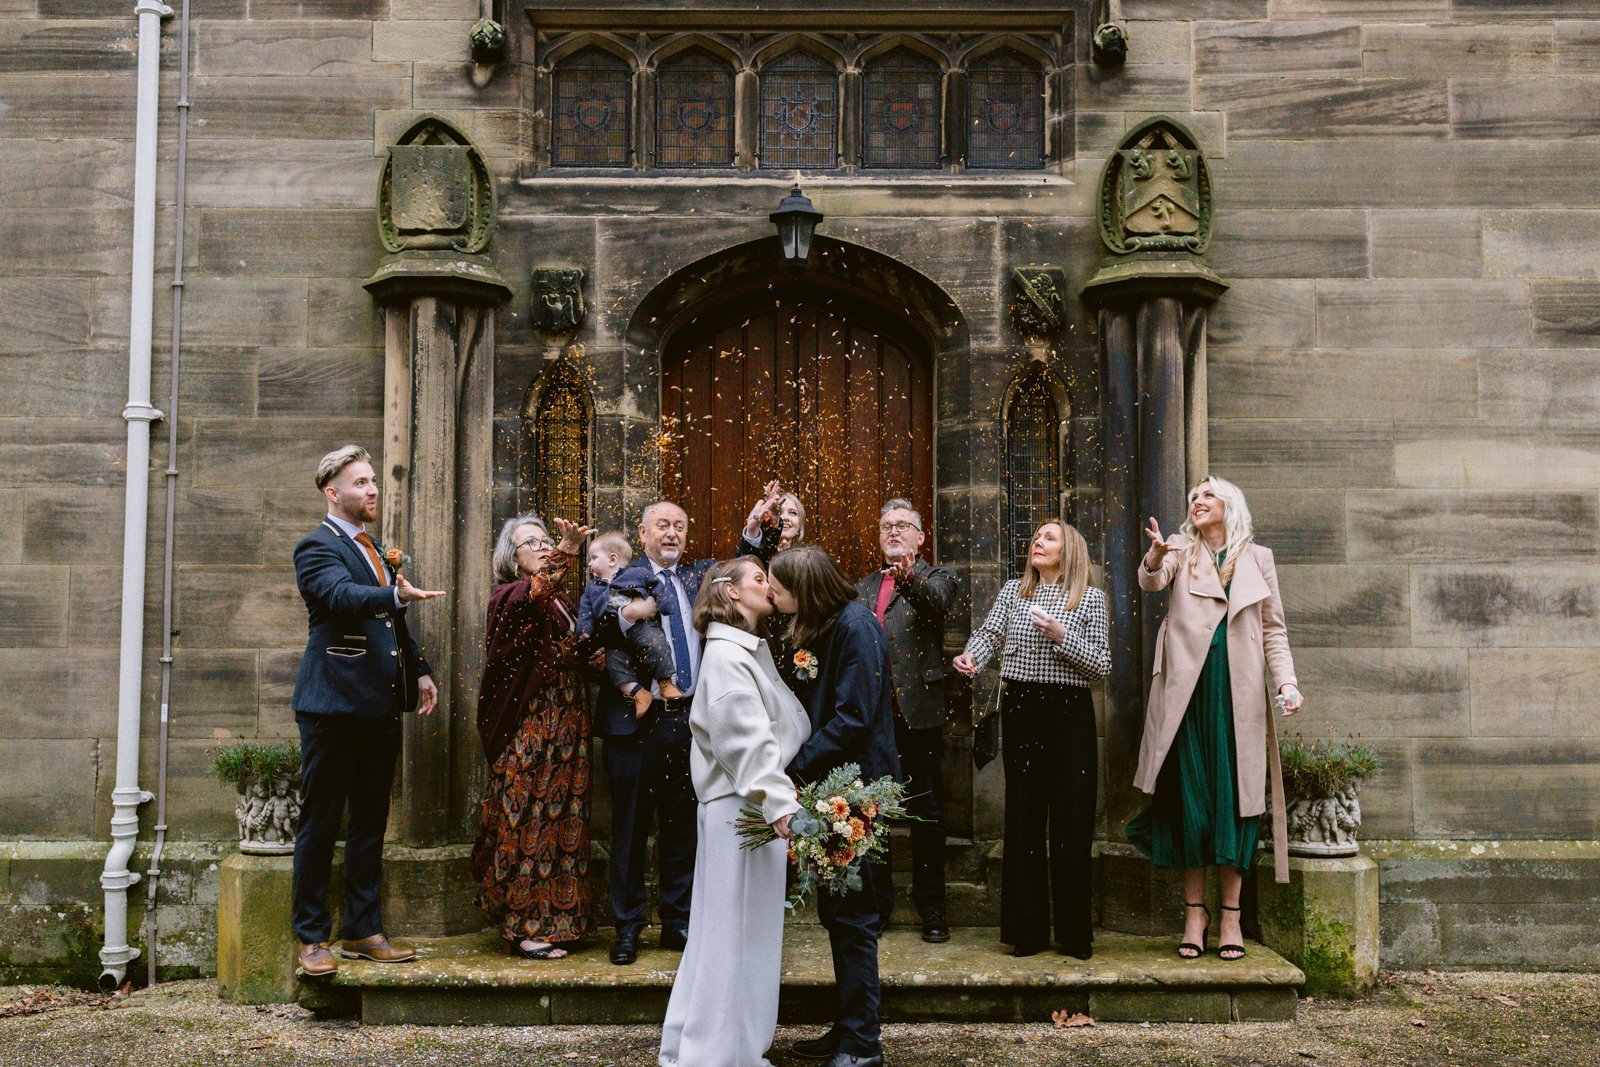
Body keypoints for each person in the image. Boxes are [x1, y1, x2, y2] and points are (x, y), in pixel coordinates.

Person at [598, 486, 783, 966]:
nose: (673, 533)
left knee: (684, 825)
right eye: (663, 525)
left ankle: (677, 921)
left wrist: (753, 529)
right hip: (635, 723)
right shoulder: (624, 577)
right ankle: (628, 926)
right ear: (642, 533)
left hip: (691, 722)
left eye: (679, 526)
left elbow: (737, 573)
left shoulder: (699, 578)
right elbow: (599, 627)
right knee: (631, 827)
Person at [1125, 475, 1304, 962]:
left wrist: (1287, 682)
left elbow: (1274, 631)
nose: (1197, 501)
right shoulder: (1179, 548)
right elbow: (1149, 581)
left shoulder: (1258, 557)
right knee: (1190, 804)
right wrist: (1156, 555)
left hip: (1237, 697)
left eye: (1206, 495)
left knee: (1235, 804)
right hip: (1187, 693)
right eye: (1192, 498)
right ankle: (1193, 912)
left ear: (1229, 503)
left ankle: (1230, 916)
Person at [289, 445, 444, 977]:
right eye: (360, 483)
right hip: (331, 705)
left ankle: (360, 929)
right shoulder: (316, 548)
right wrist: (395, 596)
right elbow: (343, 598)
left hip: (379, 703)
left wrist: (419, 669)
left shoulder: (375, 546)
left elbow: (389, 621)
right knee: (321, 820)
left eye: (374, 480)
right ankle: (311, 937)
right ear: (333, 493)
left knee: (372, 821)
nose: (373, 489)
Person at [658, 557, 811, 1067]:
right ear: (728, 593)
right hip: (743, 810)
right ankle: (716, 1055)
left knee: (737, 933)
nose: (769, 585)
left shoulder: (741, 651)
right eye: (759, 578)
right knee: (732, 935)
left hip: (749, 806)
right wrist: (783, 806)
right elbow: (745, 741)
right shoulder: (726, 655)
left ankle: (723, 1047)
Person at [954, 520, 1109, 960]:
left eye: (1049, 538)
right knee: (1023, 817)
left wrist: (1062, 637)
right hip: (1021, 708)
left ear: (1069, 551)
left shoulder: (1090, 599)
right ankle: (1028, 930)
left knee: (1071, 821)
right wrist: (973, 655)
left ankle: (1074, 933)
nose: (1038, 543)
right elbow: (989, 634)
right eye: (1036, 538)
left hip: (1069, 713)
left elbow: (1101, 665)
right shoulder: (1012, 592)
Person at [769, 546, 898, 1067]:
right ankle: (847, 1029)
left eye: (778, 587)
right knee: (838, 913)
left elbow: (853, 718)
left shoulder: (856, 626)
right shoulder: (821, 623)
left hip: (856, 789)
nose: (772, 595)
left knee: (855, 917)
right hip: (829, 787)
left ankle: (864, 1043)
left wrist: (792, 765)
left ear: (804, 586)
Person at [471, 513, 599, 959]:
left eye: (547, 541)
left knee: (566, 817)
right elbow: (535, 595)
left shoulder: (565, 600)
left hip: (569, 726)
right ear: (513, 557)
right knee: (527, 815)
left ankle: (562, 920)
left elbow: (580, 651)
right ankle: (522, 925)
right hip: (529, 725)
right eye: (533, 542)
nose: (543, 547)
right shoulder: (509, 596)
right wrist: (567, 549)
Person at [858, 498, 959, 944]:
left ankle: (932, 908)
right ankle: (877, 906)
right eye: (886, 526)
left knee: (927, 816)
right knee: (869, 815)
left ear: (921, 537)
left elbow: (936, 604)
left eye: (903, 525)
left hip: (919, 716)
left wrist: (909, 576)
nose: (893, 532)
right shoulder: (861, 587)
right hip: (871, 719)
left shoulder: (938, 577)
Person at [577, 531, 682, 719]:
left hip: (642, 627)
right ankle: (638, 693)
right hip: (614, 638)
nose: (590, 563)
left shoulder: (637, 573)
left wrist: (667, 605)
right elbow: (586, 611)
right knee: (613, 663)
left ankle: (666, 682)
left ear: (612, 559)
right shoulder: (593, 588)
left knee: (656, 644)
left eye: (593, 558)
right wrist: (584, 631)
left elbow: (657, 587)